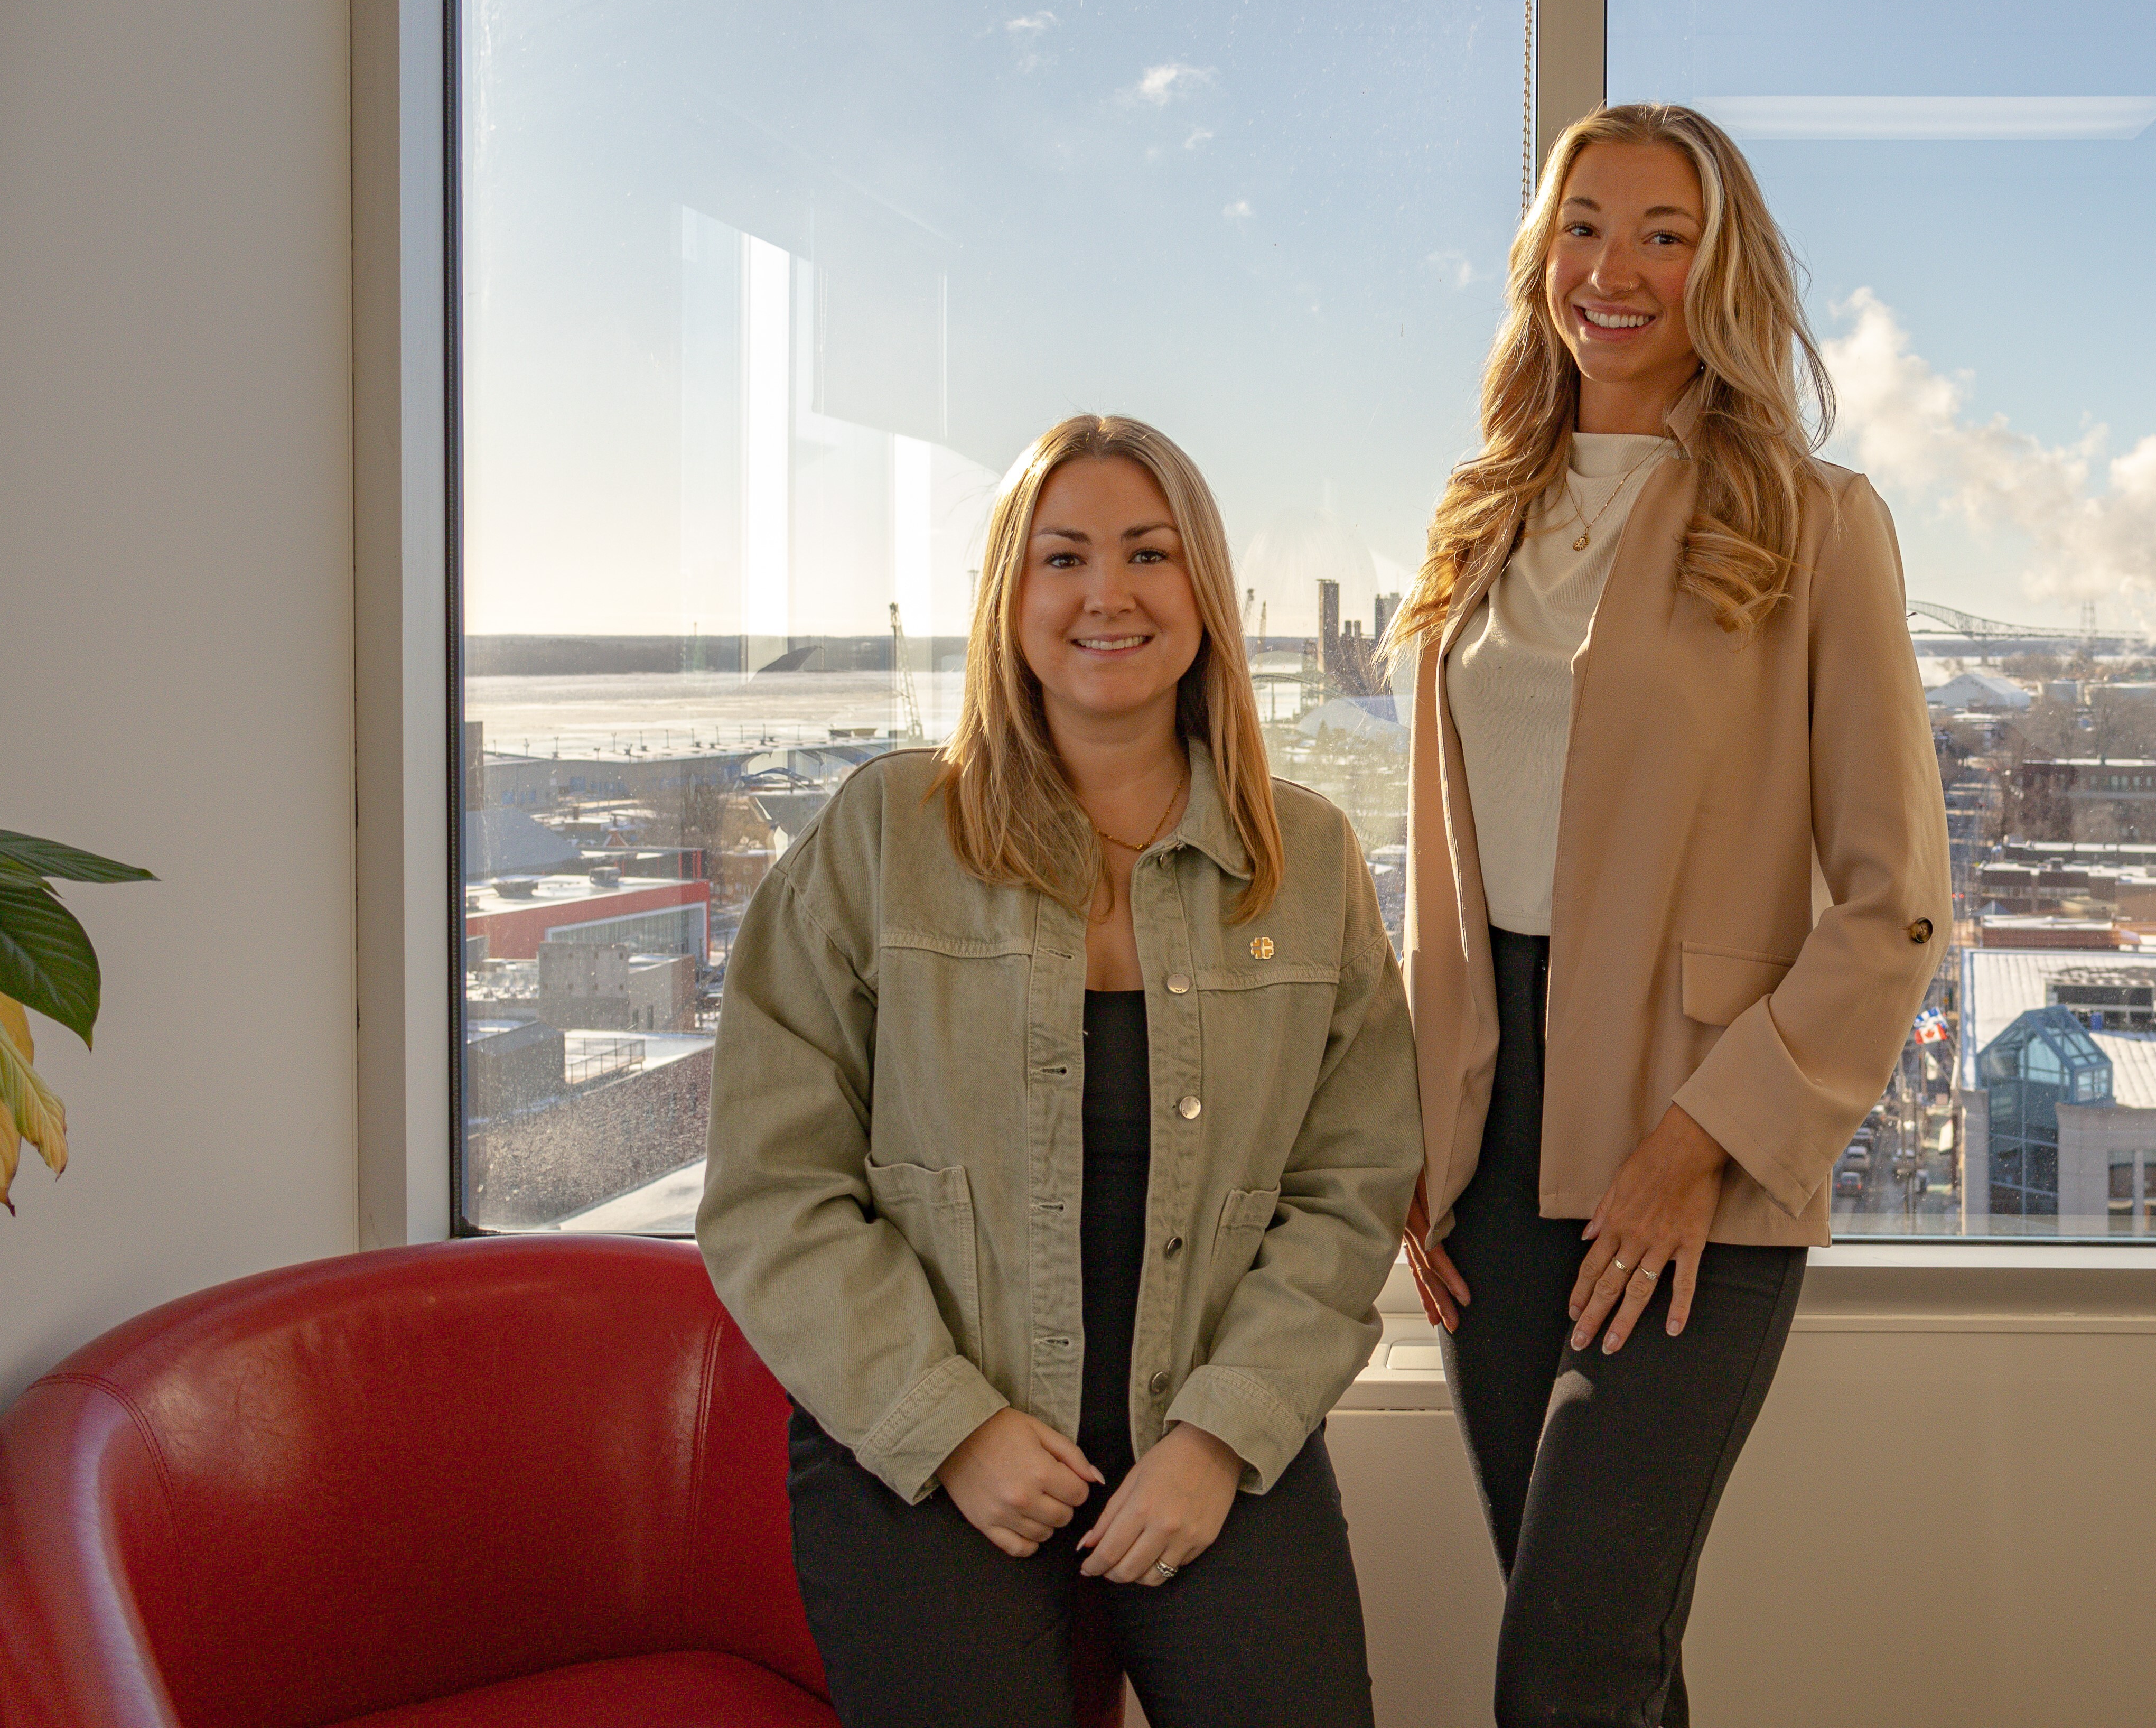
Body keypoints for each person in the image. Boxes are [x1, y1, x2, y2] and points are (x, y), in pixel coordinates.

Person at [701, 414, 1421, 1728]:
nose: (1109, 593)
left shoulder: (1308, 861)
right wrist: (949, 1426)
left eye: (1149, 552)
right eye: (1063, 557)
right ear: (1009, 598)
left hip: (1211, 1428)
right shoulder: (879, 836)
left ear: (1204, 589)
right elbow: (774, 1192)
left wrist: (1219, 1435)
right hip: (924, 1441)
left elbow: (1352, 1185)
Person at [1392, 104, 1954, 1725]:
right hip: (1485, 1159)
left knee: (1570, 1667)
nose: (1614, 269)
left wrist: (1700, 1140)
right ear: (1538, 259)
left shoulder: (1813, 519)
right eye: (1584, 225)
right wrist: (1408, 1140)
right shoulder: (1478, 517)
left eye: (1664, 231)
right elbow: (1438, 876)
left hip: (1695, 1145)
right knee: (1608, 1666)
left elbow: (1895, 897)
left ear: (1723, 267)